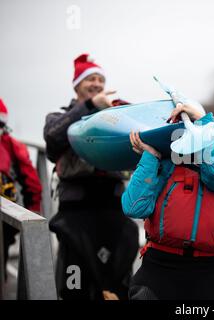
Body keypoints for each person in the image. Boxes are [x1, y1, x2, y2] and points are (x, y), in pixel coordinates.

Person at [122, 97, 214, 300]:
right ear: (211, 133)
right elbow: (134, 207)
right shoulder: (170, 165)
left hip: (213, 273)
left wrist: (203, 121)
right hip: (159, 269)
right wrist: (151, 157)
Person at [43, 54, 139, 300]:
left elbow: (139, 126)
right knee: (76, 276)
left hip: (113, 206)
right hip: (75, 210)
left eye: (100, 79)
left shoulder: (114, 114)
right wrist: (90, 106)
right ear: (77, 85)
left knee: (118, 271)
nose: (96, 83)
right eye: (90, 79)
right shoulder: (57, 118)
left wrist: (117, 108)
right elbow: (53, 139)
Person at [0, 98, 42, 278]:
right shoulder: (13, 146)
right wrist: (32, 211)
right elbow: (32, 184)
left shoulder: (12, 147)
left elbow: (32, 184)